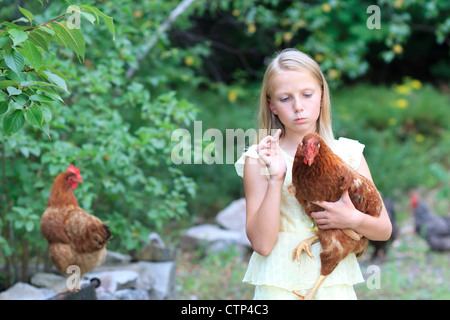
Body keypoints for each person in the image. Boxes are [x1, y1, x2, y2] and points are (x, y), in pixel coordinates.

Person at [235, 48, 392, 299]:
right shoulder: (260, 159)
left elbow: (383, 230)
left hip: (333, 285)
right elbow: (262, 245)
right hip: (279, 285)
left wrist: (351, 219)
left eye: (307, 95)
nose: (298, 107)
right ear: (272, 106)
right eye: (285, 99)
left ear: (321, 96)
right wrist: (276, 178)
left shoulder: (349, 154)